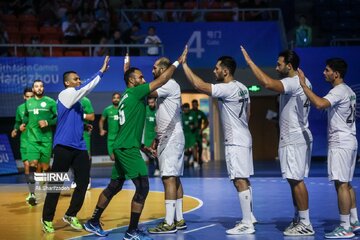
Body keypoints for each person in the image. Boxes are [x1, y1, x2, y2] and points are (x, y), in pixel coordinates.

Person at [83, 49, 186, 239]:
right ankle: (131, 231)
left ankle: (93, 221)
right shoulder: (138, 92)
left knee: (114, 185)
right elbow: (162, 80)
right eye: (140, 77)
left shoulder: (126, 95)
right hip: (127, 149)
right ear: (133, 81)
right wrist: (178, 62)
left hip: (124, 145)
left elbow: (129, 127)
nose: (144, 79)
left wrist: (142, 147)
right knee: (142, 187)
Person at [181, 46, 256, 235]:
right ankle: (251, 216)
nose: (214, 71)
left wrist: (184, 65)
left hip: (235, 140)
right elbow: (248, 114)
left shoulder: (227, 88)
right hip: (245, 136)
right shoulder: (243, 88)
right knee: (244, 178)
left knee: (239, 179)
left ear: (225, 71)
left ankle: (247, 222)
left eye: (216, 68)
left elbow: (199, 86)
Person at [241, 46, 314, 236]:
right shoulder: (303, 80)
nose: (276, 67)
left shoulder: (293, 82)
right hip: (295, 137)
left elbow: (266, 83)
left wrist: (250, 63)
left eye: (279, 64)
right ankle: (299, 218)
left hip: (294, 138)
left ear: (289, 66)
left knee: (296, 180)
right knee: (293, 180)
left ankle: (306, 222)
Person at [41, 56, 110, 233]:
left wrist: (83, 124)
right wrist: (101, 71)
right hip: (63, 146)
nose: (79, 81)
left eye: (79, 79)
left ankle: (71, 214)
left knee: (83, 182)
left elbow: (70, 118)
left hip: (79, 147)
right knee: (56, 184)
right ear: (67, 82)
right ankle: (47, 218)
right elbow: (87, 86)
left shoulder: (76, 102)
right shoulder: (65, 94)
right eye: (75, 79)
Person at [298, 58, 359, 239]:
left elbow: (319, 104)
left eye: (327, 70)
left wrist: (303, 86)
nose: (324, 73)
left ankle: (345, 227)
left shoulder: (338, 91)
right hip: (350, 140)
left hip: (340, 143)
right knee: (346, 184)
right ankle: (354, 221)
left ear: (336, 74)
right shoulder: (348, 90)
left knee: (341, 184)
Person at [147, 57, 186, 234]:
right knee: (175, 178)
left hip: (171, 138)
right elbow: (163, 115)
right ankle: (179, 219)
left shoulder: (168, 84)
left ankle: (169, 223)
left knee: (168, 178)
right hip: (169, 137)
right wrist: (157, 137)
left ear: (163, 70)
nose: (152, 70)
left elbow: (147, 92)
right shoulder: (170, 86)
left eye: (155, 68)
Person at [21, 80, 57, 206]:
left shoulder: (50, 102)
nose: (39, 88)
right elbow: (26, 116)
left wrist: (48, 122)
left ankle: (51, 187)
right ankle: (32, 193)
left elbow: (57, 117)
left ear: (43, 88)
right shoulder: (28, 103)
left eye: (41, 86)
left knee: (46, 167)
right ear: (33, 88)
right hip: (32, 140)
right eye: (36, 86)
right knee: (33, 164)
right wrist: (23, 123)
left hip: (46, 140)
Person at [11, 87, 34, 204]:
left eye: (31, 96)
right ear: (24, 97)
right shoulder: (20, 108)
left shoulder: (37, 107)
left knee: (39, 167)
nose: (29, 98)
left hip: (36, 141)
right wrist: (15, 129)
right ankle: (32, 193)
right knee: (26, 165)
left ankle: (42, 183)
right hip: (25, 141)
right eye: (27, 96)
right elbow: (17, 122)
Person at [141, 97, 160, 176]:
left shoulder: (159, 110)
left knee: (155, 153)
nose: (150, 104)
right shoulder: (145, 109)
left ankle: (157, 169)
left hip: (156, 135)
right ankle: (152, 160)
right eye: (149, 103)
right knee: (143, 148)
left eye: (152, 102)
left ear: (155, 102)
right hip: (146, 135)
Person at [99, 92, 121, 161]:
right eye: (114, 98)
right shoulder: (107, 110)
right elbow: (101, 120)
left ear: (120, 99)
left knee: (120, 158)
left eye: (118, 98)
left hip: (121, 137)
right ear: (112, 100)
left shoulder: (123, 109)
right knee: (113, 158)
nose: (116, 99)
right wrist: (101, 130)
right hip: (111, 138)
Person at [190, 99, 209, 167]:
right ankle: (194, 159)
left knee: (200, 146)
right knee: (192, 146)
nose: (194, 106)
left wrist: (202, 129)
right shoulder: (189, 112)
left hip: (198, 132)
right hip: (191, 133)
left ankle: (199, 159)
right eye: (193, 105)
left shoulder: (201, 113)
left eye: (195, 104)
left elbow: (206, 122)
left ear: (197, 105)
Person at [181, 103, 197, 167]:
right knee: (184, 149)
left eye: (187, 109)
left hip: (191, 134)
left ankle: (195, 161)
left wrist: (193, 126)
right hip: (184, 134)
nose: (186, 110)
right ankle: (186, 159)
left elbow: (196, 123)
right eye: (185, 109)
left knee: (194, 147)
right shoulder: (181, 115)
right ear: (183, 109)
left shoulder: (192, 114)